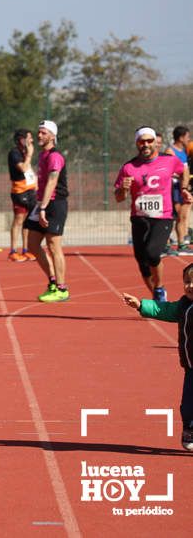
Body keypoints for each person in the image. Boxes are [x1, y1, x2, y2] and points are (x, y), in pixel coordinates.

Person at [122, 263, 193, 451]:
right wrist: (141, 305)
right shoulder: (183, 305)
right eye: (187, 282)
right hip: (191, 368)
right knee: (187, 405)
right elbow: (164, 310)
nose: (190, 286)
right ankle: (190, 429)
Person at [114, 126, 188, 302]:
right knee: (142, 263)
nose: (145, 144)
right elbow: (118, 197)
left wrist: (184, 189)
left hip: (162, 216)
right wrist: (124, 189)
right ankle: (155, 294)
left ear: (155, 142)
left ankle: (160, 288)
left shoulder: (169, 160)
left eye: (149, 141)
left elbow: (183, 170)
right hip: (139, 218)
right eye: (142, 141)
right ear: (137, 143)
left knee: (153, 254)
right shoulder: (128, 167)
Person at [24, 120, 70, 302]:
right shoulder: (43, 155)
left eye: (43, 133)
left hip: (54, 204)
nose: (39, 135)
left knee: (53, 245)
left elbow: (52, 182)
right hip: (42, 203)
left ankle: (61, 288)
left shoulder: (55, 156)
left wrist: (42, 208)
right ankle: (52, 280)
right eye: (39, 132)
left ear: (52, 135)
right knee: (33, 244)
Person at [7, 129, 38, 262]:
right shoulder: (14, 153)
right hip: (20, 192)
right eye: (29, 138)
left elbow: (29, 170)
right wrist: (30, 155)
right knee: (18, 220)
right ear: (22, 140)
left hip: (31, 190)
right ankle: (13, 251)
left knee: (28, 222)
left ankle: (26, 250)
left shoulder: (25, 152)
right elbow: (23, 168)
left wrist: (36, 182)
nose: (32, 141)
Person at [168, 126, 192, 254]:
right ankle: (166, 244)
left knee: (182, 217)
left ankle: (181, 243)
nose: (189, 139)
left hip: (182, 188)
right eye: (187, 137)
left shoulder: (184, 152)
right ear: (181, 137)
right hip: (173, 188)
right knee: (173, 216)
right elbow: (168, 170)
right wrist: (181, 175)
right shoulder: (170, 151)